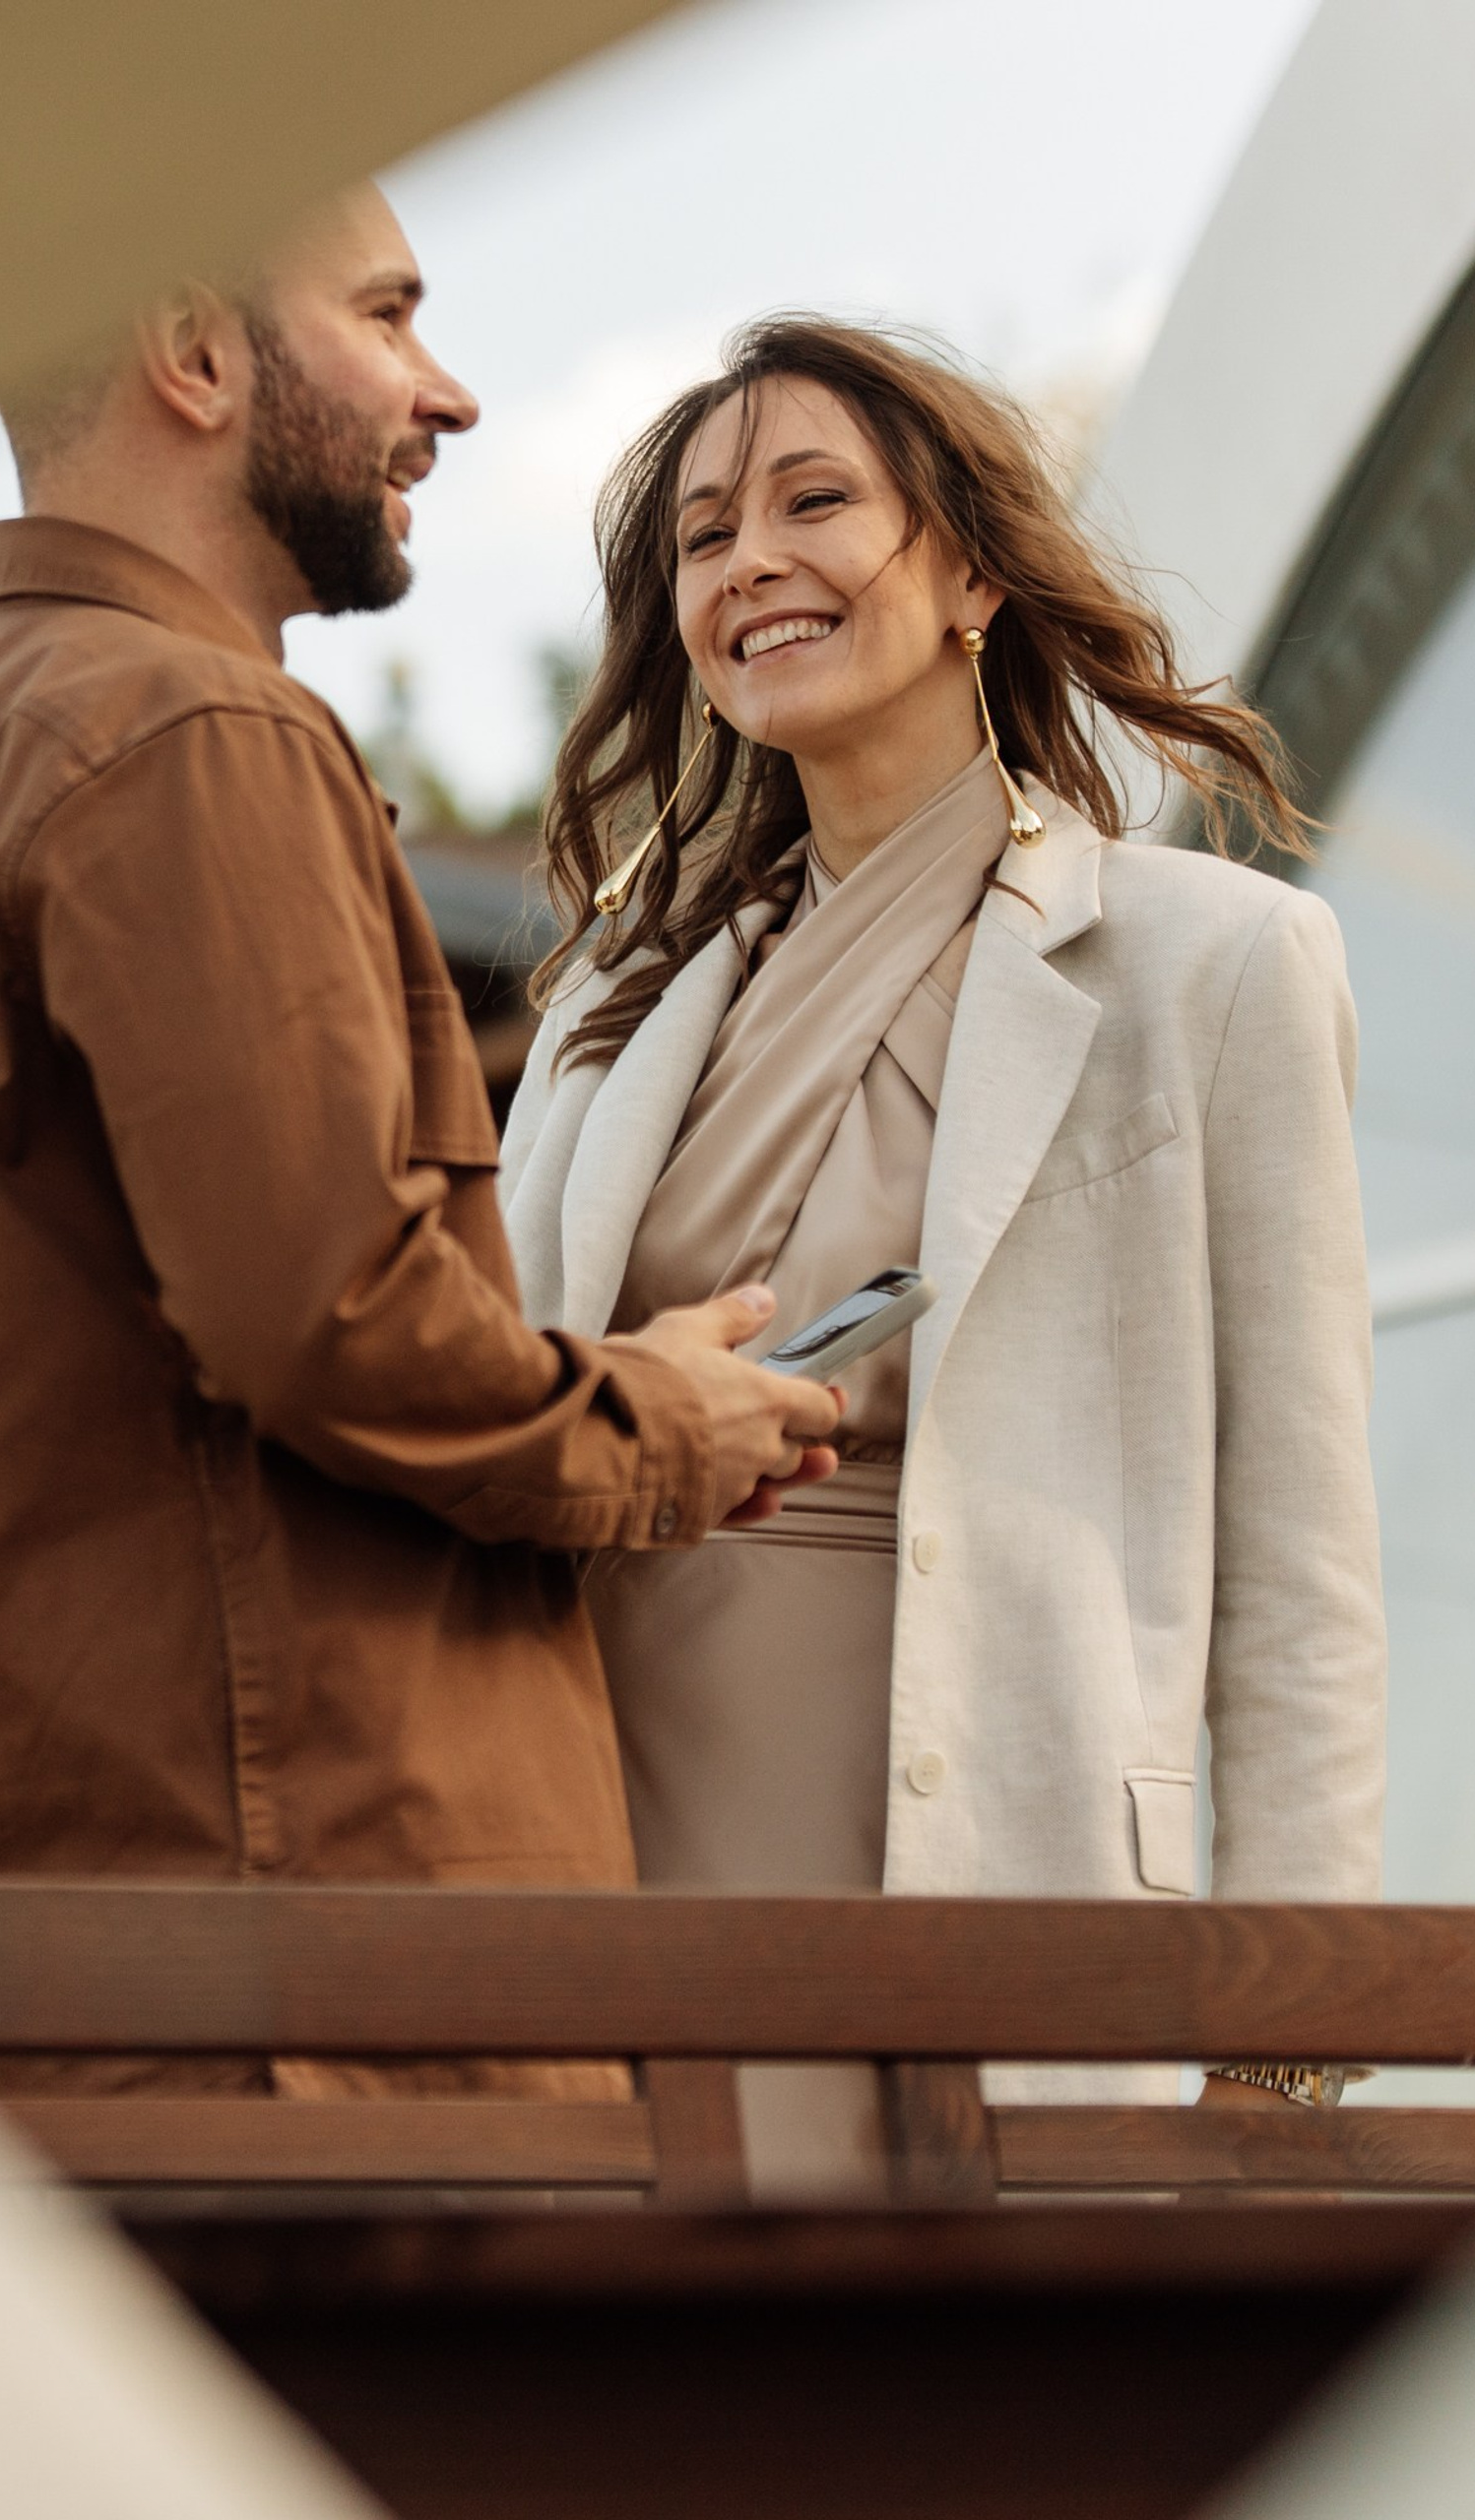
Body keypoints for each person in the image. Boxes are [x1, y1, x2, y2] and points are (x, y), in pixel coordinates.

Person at [0, 191, 842, 2097]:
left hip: (17, 2006)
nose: (448, 395)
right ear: (193, 350)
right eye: (387, 318)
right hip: (303, 2011)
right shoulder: (192, 734)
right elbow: (334, 1319)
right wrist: (664, 1415)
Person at [500, 315, 1384, 2171]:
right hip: (604, 1804)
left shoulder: (1211, 963)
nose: (752, 564)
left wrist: (1294, 2053)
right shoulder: (603, 1010)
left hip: (1001, 1811)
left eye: (816, 502)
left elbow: (1299, 1564)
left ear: (972, 565)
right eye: (704, 539)